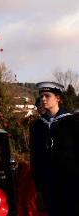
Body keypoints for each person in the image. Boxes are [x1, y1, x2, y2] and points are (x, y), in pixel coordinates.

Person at [30, 81, 79, 216]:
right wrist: (38, 185)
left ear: (58, 98)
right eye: (41, 96)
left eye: (47, 95)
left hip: (71, 183)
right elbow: (34, 156)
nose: (43, 99)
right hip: (48, 184)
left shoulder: (72, 122)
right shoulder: (37, 125)